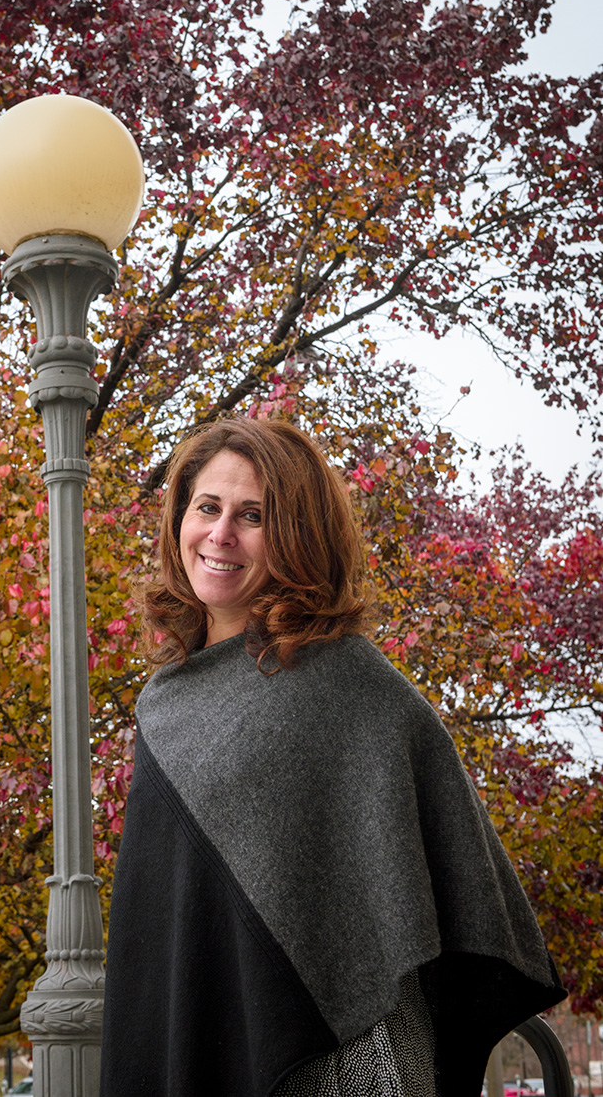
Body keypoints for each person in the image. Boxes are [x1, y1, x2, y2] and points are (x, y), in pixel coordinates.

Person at [99, 417, 565, 1097]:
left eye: (253, 515)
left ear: (297, 534)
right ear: (179, 519)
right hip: (205, 1041)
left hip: (339, 1051)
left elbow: (393, 901)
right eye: (207, 507)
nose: (221, 533)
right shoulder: (165, 702)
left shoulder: (346, 680)